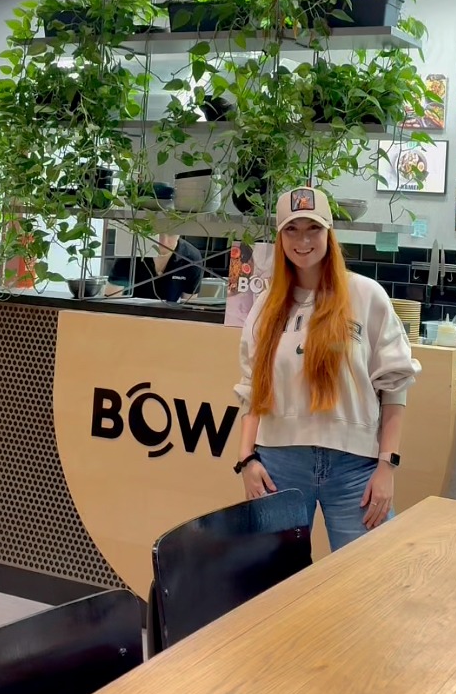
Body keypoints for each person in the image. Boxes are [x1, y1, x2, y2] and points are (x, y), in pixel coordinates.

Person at [234, 186, 420, 552]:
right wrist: (246, 460)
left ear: (329, 232)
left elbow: (394, 387)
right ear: (280, 237)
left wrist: (387, 466)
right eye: (291, 229)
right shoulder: (265, 306)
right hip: (278, 466)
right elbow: (253, 390)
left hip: (355, 469)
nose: (302, 240)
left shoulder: (366, 295)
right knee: (277, 579)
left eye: (313, 228)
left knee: (368, 575)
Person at [105, 233, 203, 303]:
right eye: (158, 234)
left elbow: (189, 305)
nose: (164, 241)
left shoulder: (191, 258)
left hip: (168, 319)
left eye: (171, 234)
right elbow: (112, 299)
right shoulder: (132, 251)